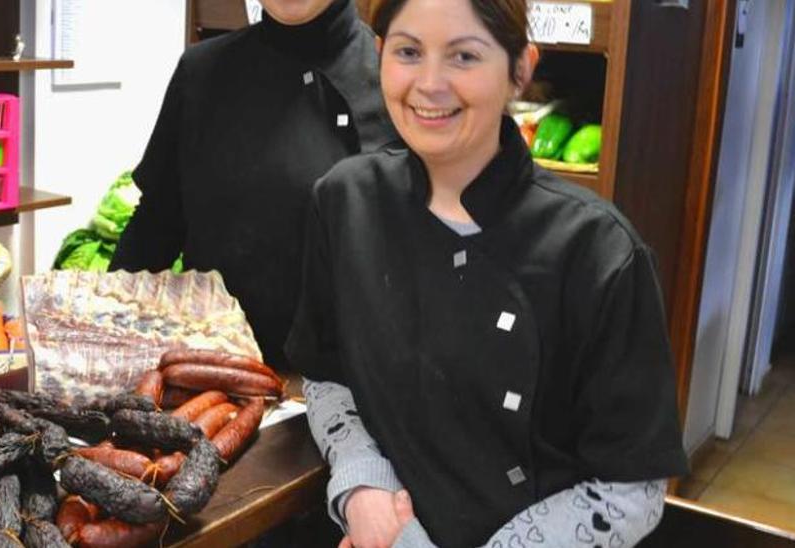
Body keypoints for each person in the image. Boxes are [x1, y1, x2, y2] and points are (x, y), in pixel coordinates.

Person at [285, 0, 690, 547]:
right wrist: (364, 490)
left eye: (464, 56)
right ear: (380, 56)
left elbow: (631, 488)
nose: (429, 84)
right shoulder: (344, 201)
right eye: (408, 52)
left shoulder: (597, 249)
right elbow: (325, 374)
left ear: (520, 69)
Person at [110, 0, 399, 371]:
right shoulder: (201, 71)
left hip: (356, 391)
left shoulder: (401, 81)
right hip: (218, 381)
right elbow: (155, 228)